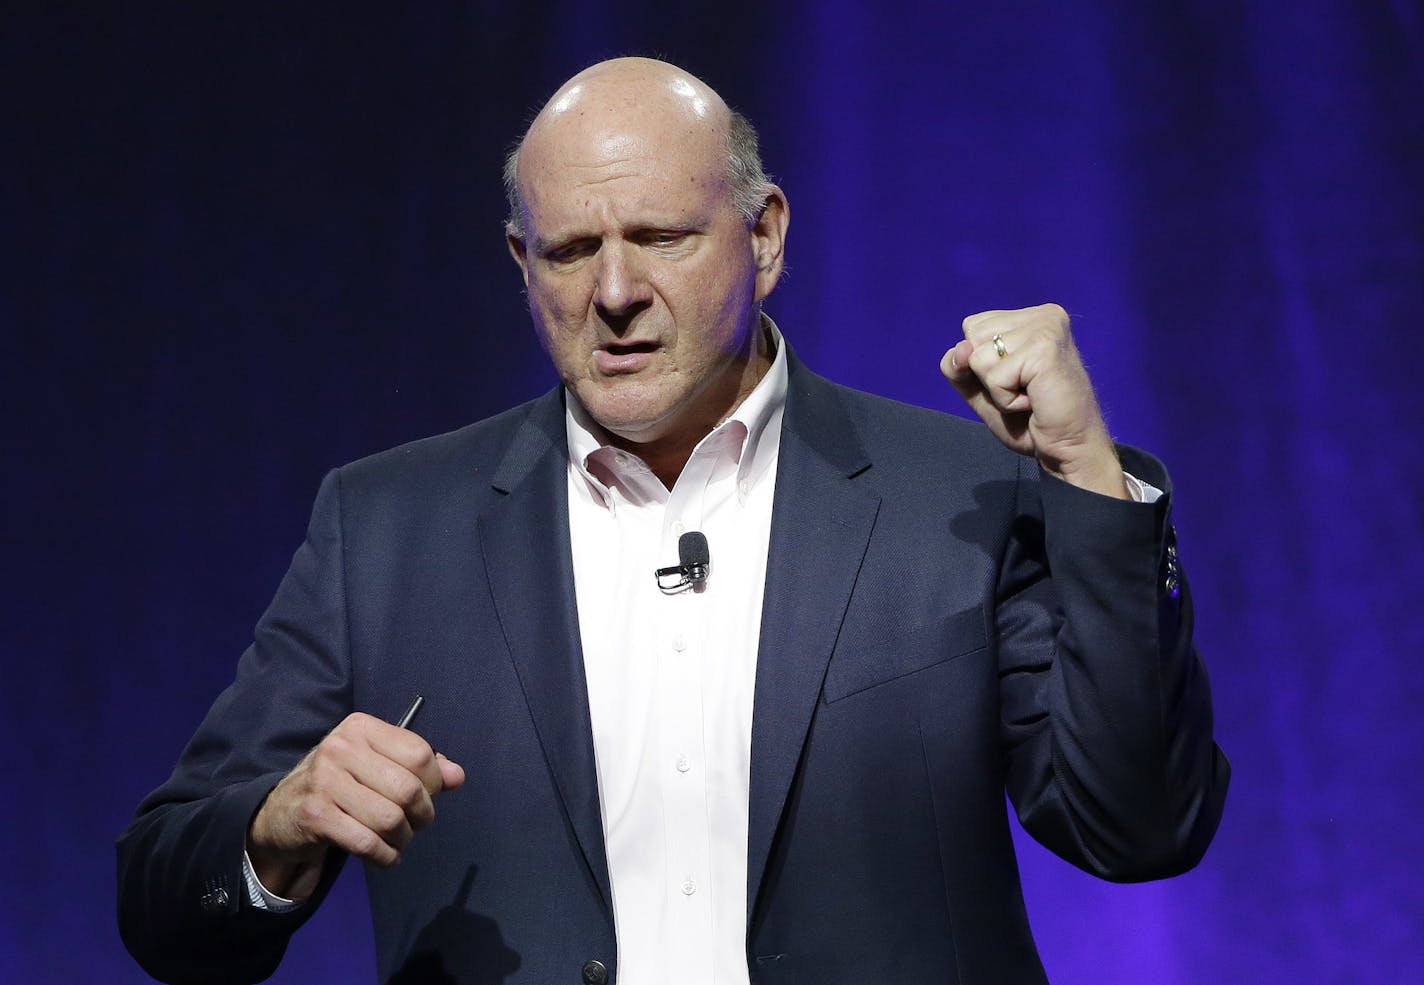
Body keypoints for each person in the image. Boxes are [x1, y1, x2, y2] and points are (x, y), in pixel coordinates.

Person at [117, 57, 1229, 985]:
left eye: (657, 237)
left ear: (765, 237)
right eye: (567, 250)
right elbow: (166, 897)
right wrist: (276, 826)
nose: (612, 291)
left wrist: (1084, 474)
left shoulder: (957, 496)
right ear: (521, 262)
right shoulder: (390, 526)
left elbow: (1134, 828)